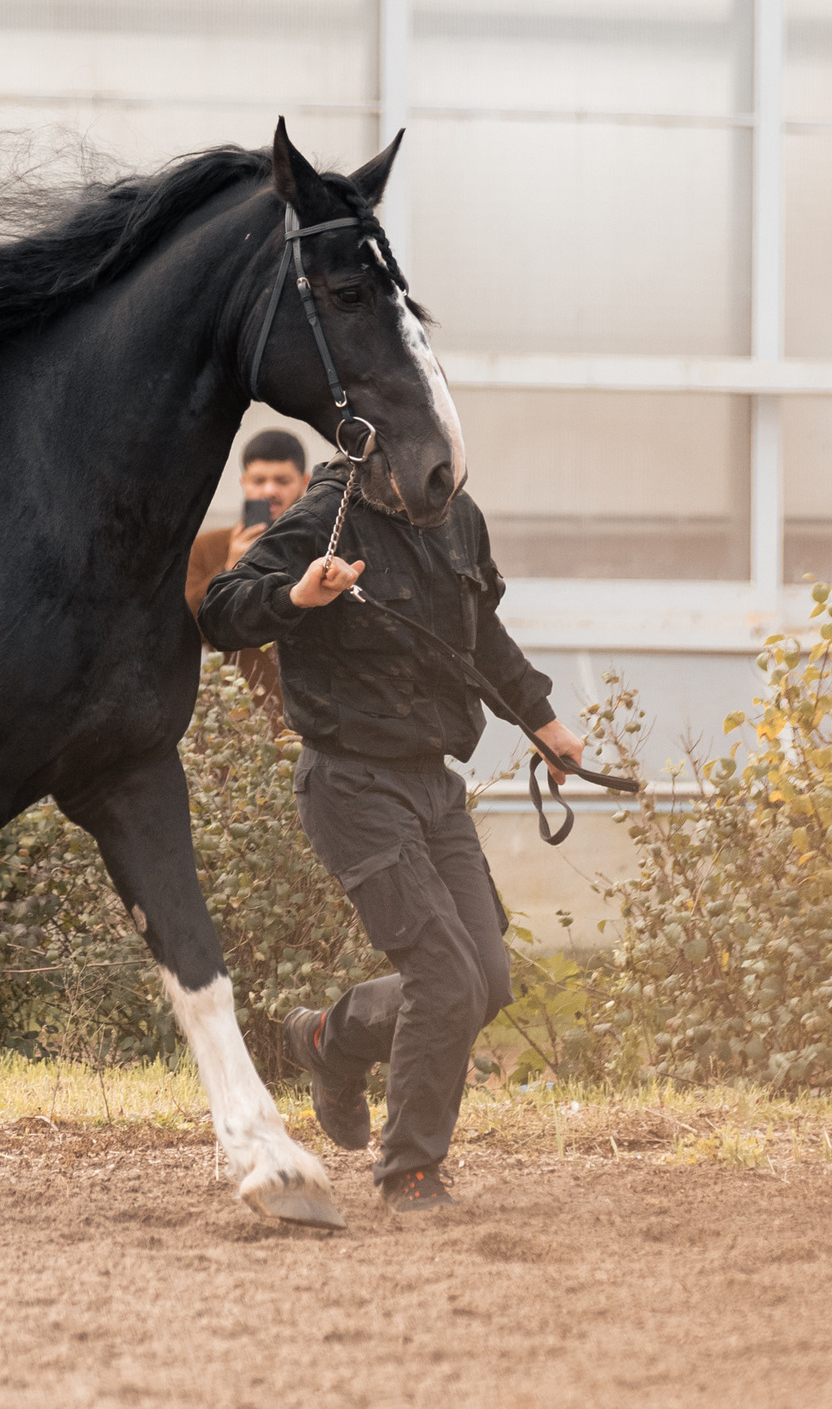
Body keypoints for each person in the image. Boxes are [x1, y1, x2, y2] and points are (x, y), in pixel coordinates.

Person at [196, 460, 583, 1213]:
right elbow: (220, 607)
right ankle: (409, 1171)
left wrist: (545, 724)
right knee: (446, 975)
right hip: (350, 783)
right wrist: (299, 594)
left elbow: (483, 640)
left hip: (433, 784)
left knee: (486, 982)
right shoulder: (328, 513)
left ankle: (326, 1043)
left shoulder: (457, 515)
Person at [184, 429, 312, 710]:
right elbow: (185, 632)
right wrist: (229, 568)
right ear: (243, 483)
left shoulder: (318, 545)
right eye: (259, 480)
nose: (269, 491)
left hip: (307, 707)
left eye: (281, 480)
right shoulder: (208, 547)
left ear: (305, 483)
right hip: (233, 712)